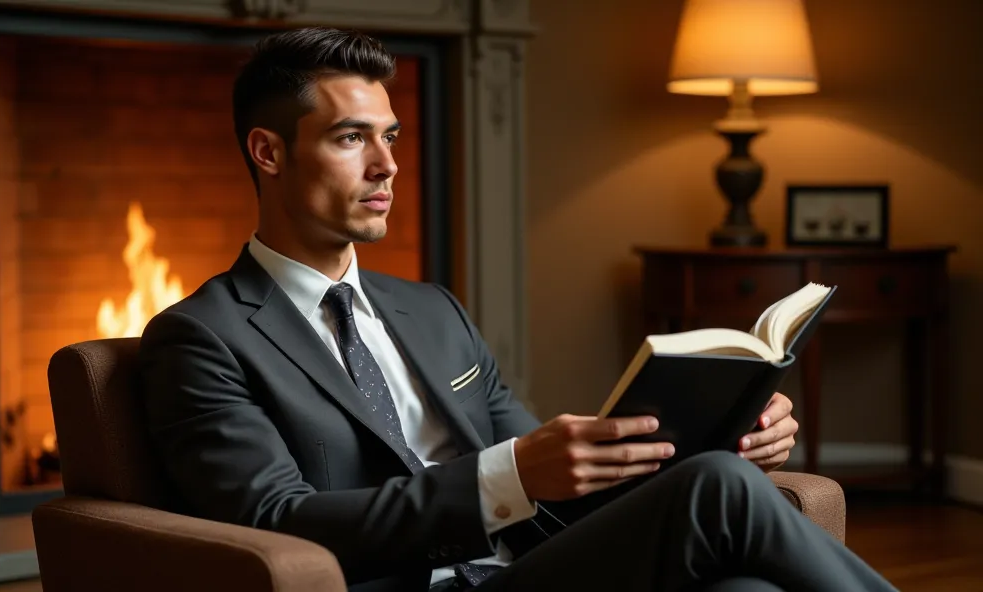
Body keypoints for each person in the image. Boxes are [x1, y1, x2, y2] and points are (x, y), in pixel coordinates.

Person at [137, 26, 897, 592]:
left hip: (527, 572)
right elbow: (277, 523)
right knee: (722, 498)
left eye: (393, 138)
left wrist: (717, 439)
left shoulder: (431, 311)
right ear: (268, 153)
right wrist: (508, 478)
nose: (389, 165)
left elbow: (557, 492)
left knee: (746, 579)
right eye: (350, 138)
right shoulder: (203, 337)